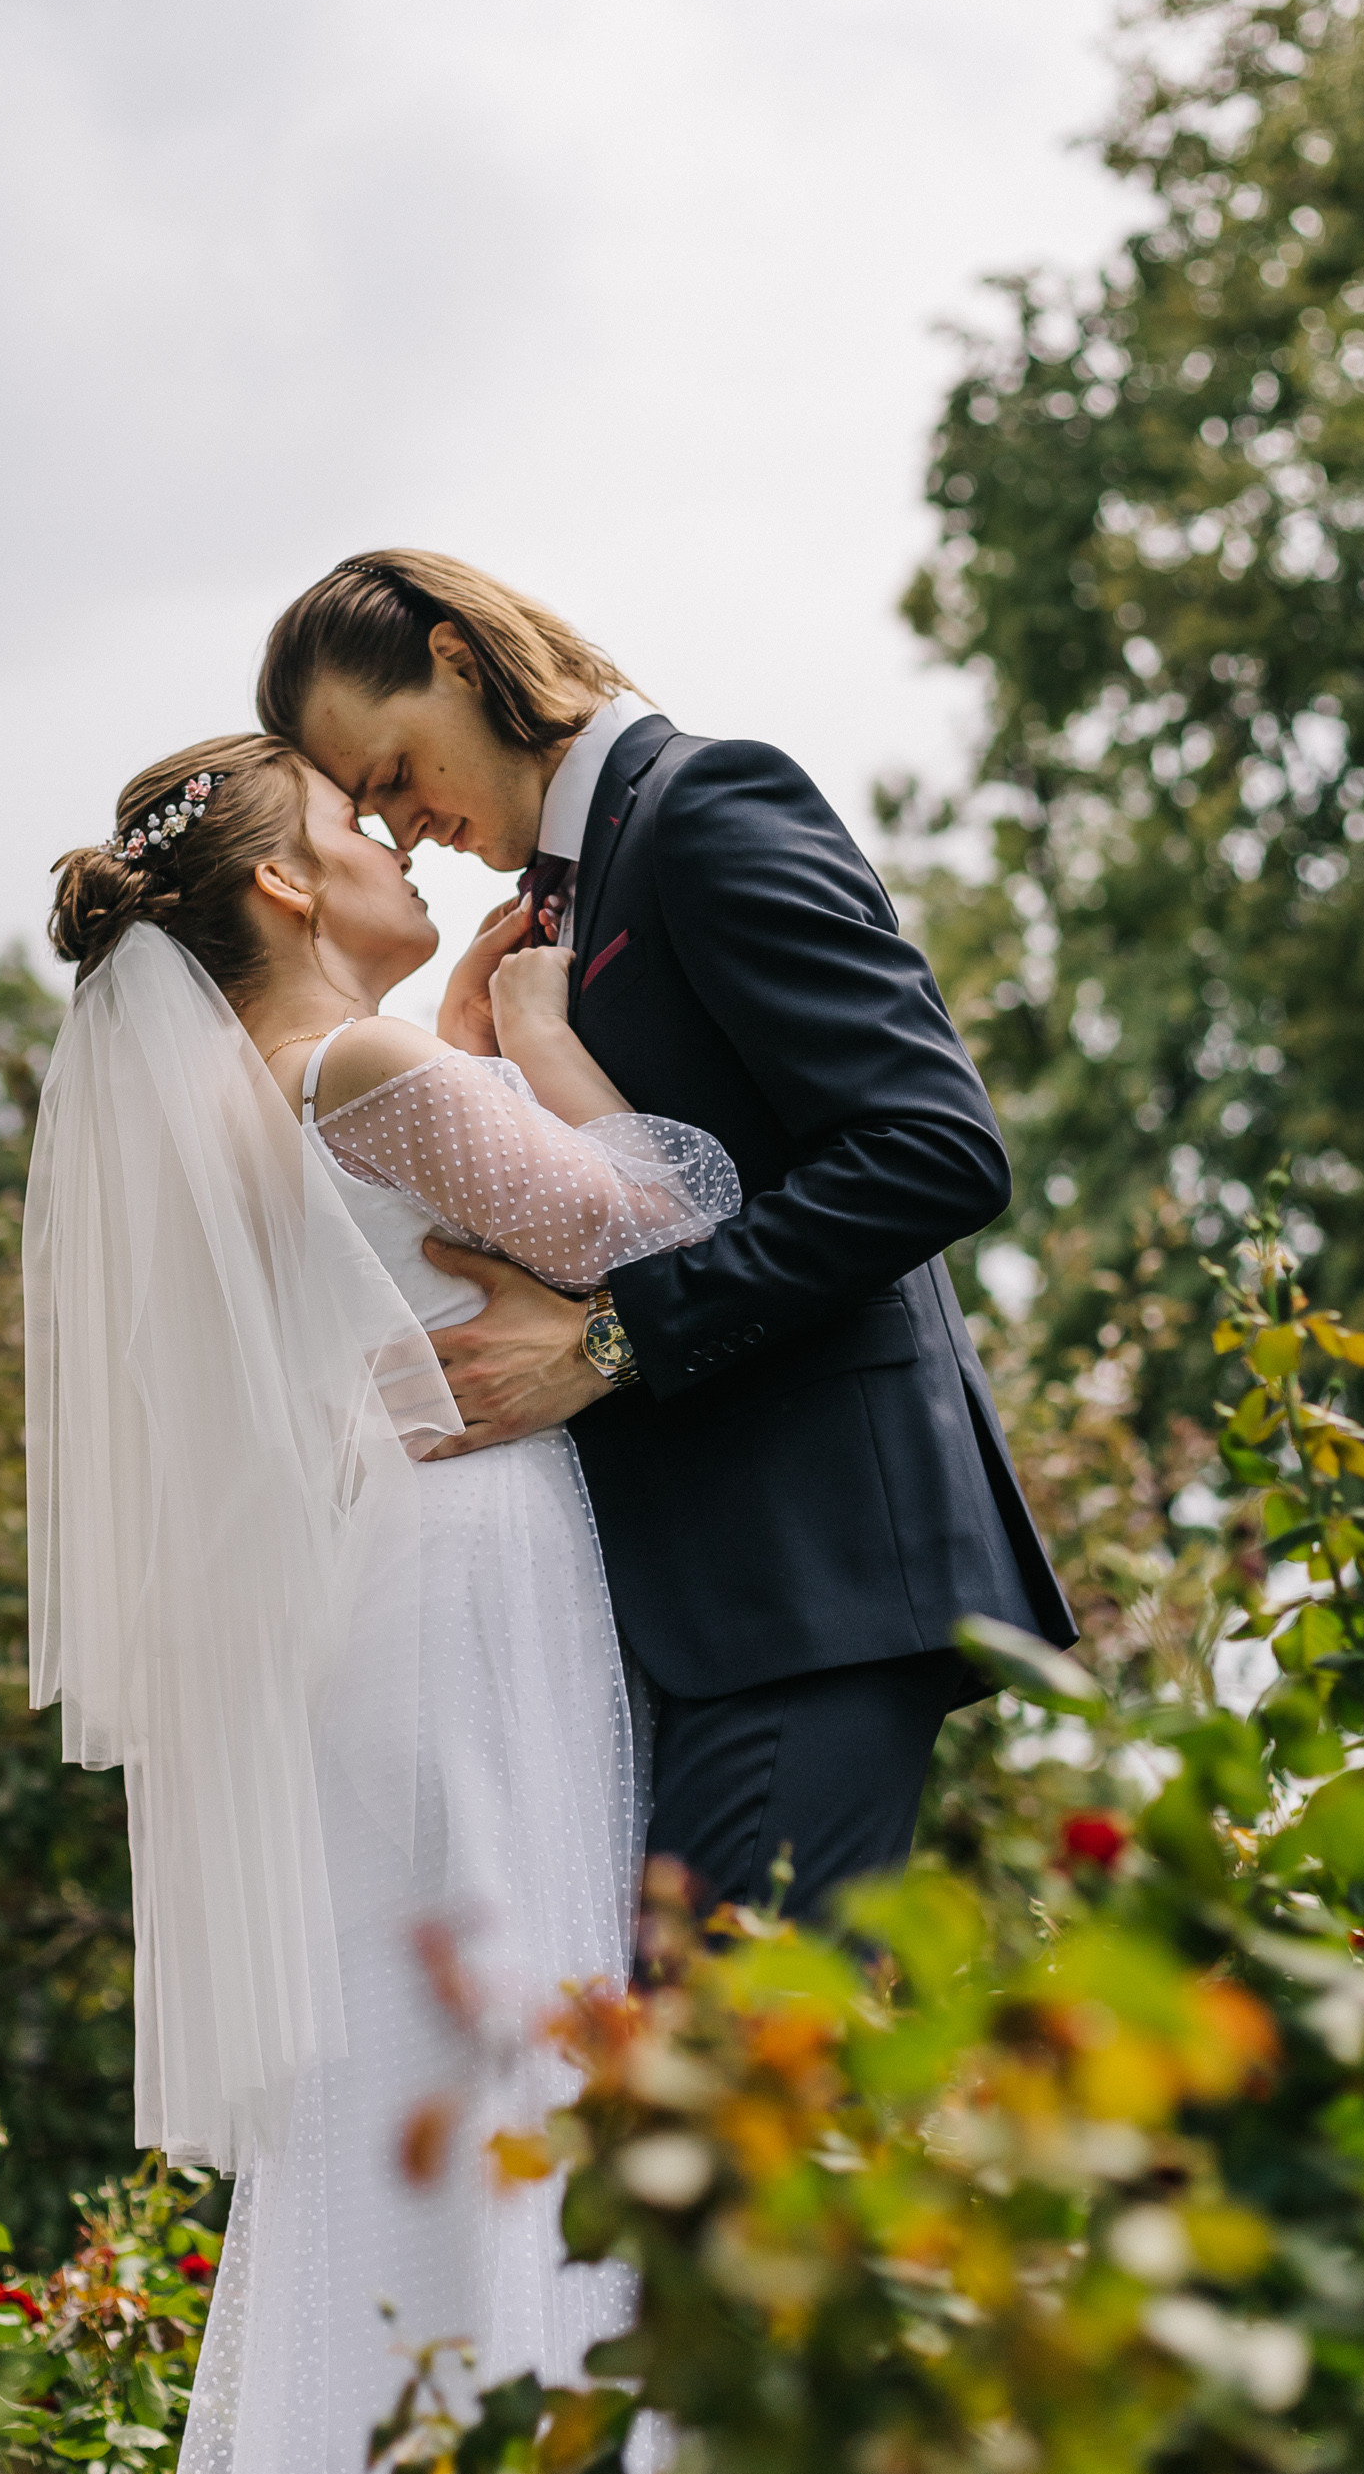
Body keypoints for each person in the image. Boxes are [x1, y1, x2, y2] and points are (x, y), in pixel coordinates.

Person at [25, 732, 738, 2474]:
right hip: (463, 1585)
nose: (392, 841)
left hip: (380, 1594)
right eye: (354, 825)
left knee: (412, 2087)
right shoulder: (347, 1073)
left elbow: (415, 1216)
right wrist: (531, 1026)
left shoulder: (275, 1098)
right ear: (277, 890)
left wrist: (452, 1026)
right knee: (513, 2045)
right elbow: (654, 1220)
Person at [257, 549, 1077, 1922]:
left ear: (459, 658)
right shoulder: (567, 898)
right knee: (697, 2090)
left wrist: (611, 1342)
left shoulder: (705, 804)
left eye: (394, 772)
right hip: (710, 1601)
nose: (401, 829)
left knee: (722, 2075)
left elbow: (932, 1150)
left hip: (816, 1572)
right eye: (371, 812)